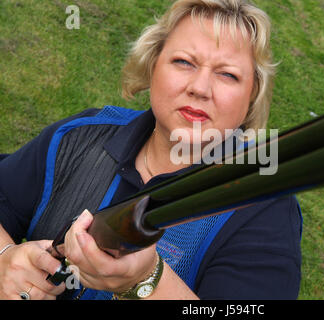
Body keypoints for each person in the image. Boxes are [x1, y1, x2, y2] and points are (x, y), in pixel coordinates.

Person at [0, 0, 302, 300]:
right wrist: (5, 256)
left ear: (252, 96)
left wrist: (147, 281)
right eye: (184, 62)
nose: (200, 87)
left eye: (228, 75)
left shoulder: (264, 207)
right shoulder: (80, 135)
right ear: (152, 64)